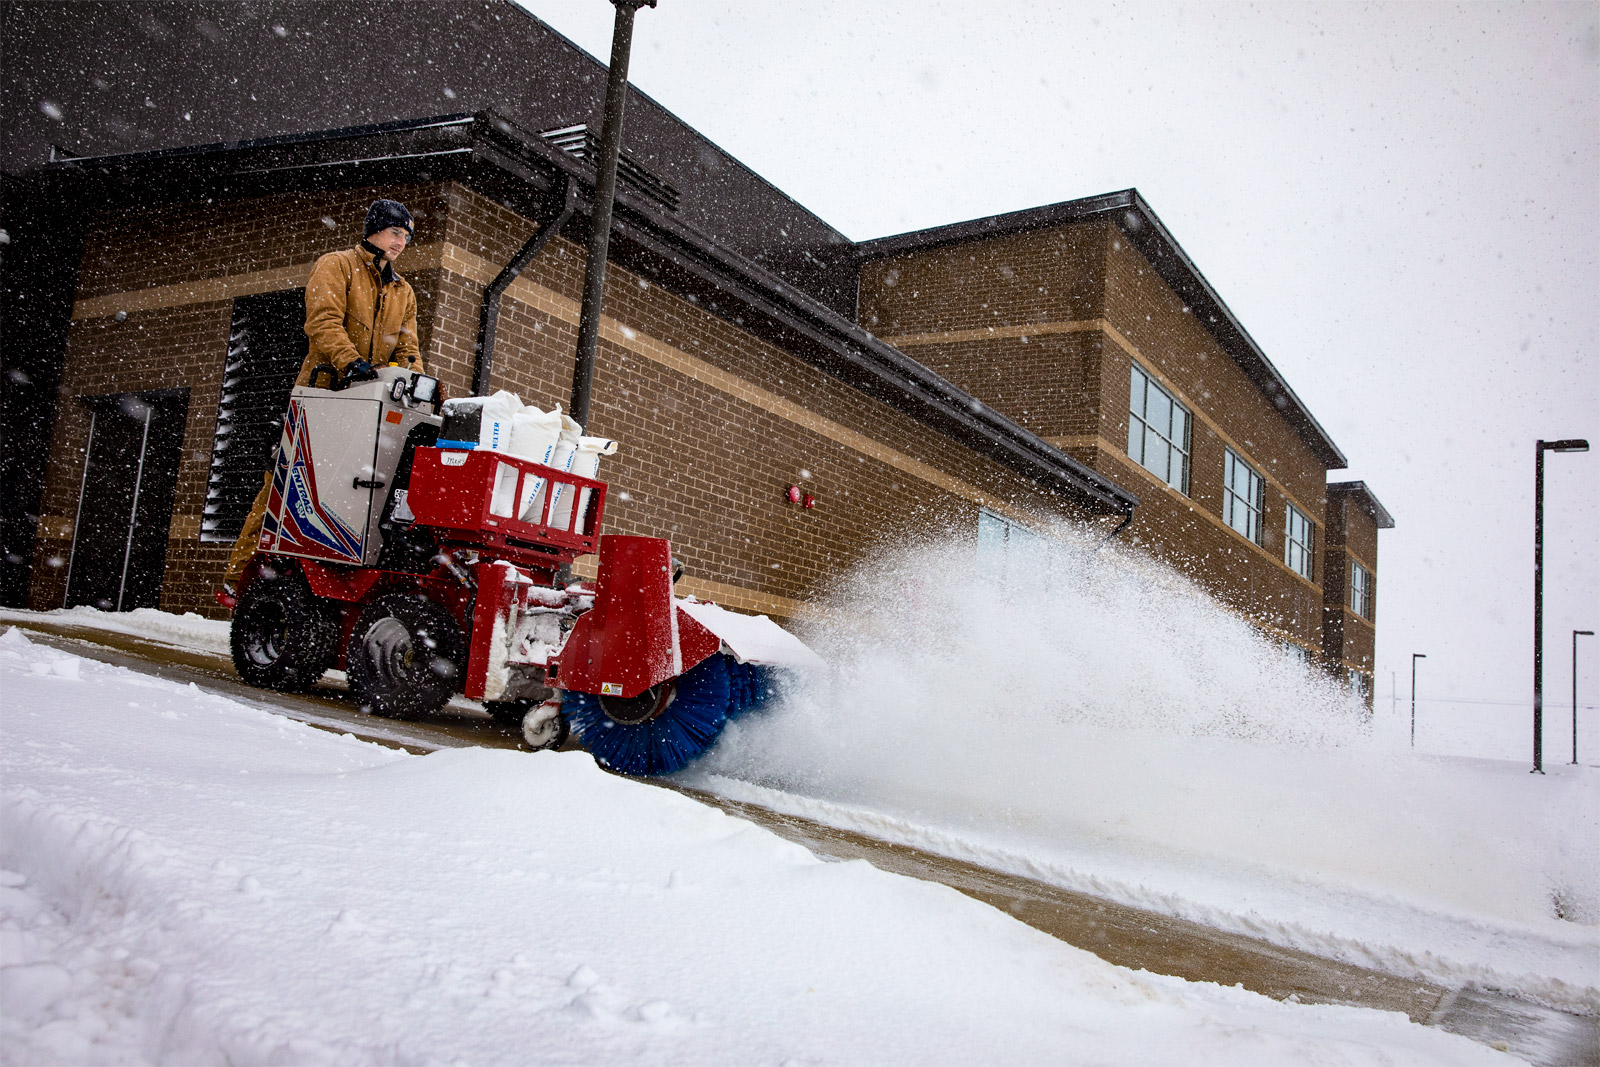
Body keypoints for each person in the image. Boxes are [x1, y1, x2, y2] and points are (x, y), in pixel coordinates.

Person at [218, 199, 427, 605]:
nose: (401, 242)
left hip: (371, 405)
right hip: (324, 392)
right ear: (375, 229)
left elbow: (409, 346)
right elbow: (322, 321)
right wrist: (350, 362)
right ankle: (239, 576)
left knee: (358, 490)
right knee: (283, 486)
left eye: (406, 236)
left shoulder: (404, 290)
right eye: (395, 232)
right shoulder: (337, 265)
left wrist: (413, 381)